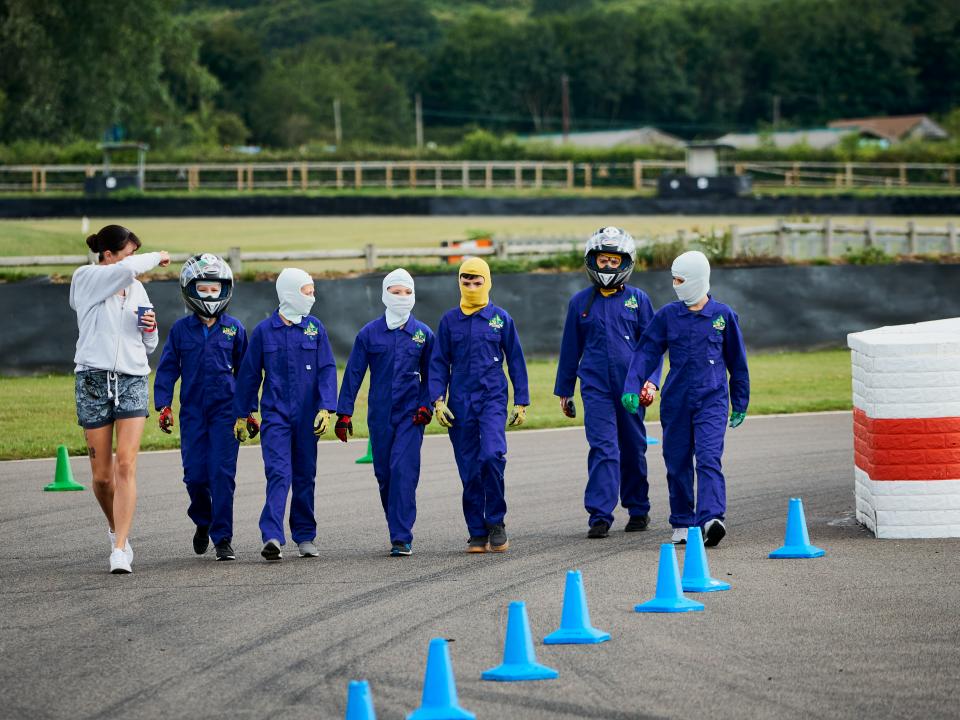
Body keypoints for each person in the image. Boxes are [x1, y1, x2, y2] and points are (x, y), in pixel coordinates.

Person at [622, 250, 749, 547]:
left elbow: (738, 363)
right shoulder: (667, 316)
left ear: (696, 279)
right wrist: (632, 386)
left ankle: (711, 519)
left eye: (680, 279)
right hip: (677, 401)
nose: (676, 285)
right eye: (673, 279)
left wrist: (740, 402)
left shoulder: (723, 316)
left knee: (708, 458)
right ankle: (681, 520)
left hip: (713, 400)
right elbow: (646, 351)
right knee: (677, 462)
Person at [69, 224, 170, 573]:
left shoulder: (137, 290)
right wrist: (157, 256)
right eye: (129, 254)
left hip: (132, 378)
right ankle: (114, 528)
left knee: (125, 464)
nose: (135, 263)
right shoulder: (85, 279)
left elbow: (148, 346)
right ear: (108, 255)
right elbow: (128, 268)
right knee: (101, 478)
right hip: (93, 380)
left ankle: (120, 547)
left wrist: (150, 328)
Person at [554, 226, 662, 539]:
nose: (608, 266)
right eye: (603, 260)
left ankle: (638, 508)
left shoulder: (638, 300)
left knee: (633, 447)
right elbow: (569, 349)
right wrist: (564, 391)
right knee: (604, 447)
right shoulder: (580, 303)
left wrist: (651, 383)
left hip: (631, 388)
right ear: (593, 260)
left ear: (626, 263)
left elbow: (653, 348)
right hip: (595, 386)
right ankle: (600, 515)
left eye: (614, 261)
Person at [233, 268, 337, 562]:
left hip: (307, 418)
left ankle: (305, 536)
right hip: (276, 416)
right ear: (290, 293)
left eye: (313, 290)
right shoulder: (265, 331)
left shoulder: (315, 328)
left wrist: (325, 407)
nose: (312, 297)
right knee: (278, 472)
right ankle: (272, 536)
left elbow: (327, 368)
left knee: (305, 475)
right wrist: (242, 413)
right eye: (307, 291)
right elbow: (250, 375)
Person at [154, 254, 250, 562]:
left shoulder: (234, 329)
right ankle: (203, 521)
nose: (210, 295)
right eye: (203, 289)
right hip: (193, 413)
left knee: (221, 475)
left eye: (215, 289)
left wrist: (248, 410)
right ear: (190, 290)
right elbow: (168, 369)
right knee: (195, 476)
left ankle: (223, 538)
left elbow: (246, 373)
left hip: (227, 414)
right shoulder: (181, 331)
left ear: (224, 290)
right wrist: (163, 405)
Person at [429, 257, 529, 553]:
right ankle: (477, 531)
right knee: (469, 468)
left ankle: (496, 521)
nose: (471, 287)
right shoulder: (449, 321)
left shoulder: (500, 318)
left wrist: (521, 401)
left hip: (492, 397)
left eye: (477, 282)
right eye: (466, 282)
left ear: (488, 282)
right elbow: (438, 363)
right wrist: (437, 400)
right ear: (459, 283)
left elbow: (517, 360)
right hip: (460, 401)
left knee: (491, 455)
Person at [335, 269, 434, 557]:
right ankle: (396, 526)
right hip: (379, 415)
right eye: (395, 291)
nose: (401, 297)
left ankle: (401, 536)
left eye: (406, 292)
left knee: (403, 471)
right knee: (385, 474)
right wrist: (344, 413)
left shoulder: (423, 334)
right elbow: (353, 374)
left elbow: (434, 375)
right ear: (384, 294)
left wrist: (426, 404)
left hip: (412, 415)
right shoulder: (368, 334)